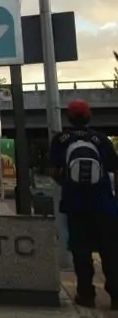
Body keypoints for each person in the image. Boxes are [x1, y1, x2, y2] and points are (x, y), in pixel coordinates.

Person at [49, 99, 118, 310]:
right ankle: (116, 295)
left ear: (68, 118)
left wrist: (68, 183)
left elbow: (53, 172)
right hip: (104, 204)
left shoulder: (61, 139)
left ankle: (86, 294)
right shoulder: (101, 139)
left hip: (75, 205)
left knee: (81, 251)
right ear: (89, 117)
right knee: (110, 251)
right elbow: (115, 169)